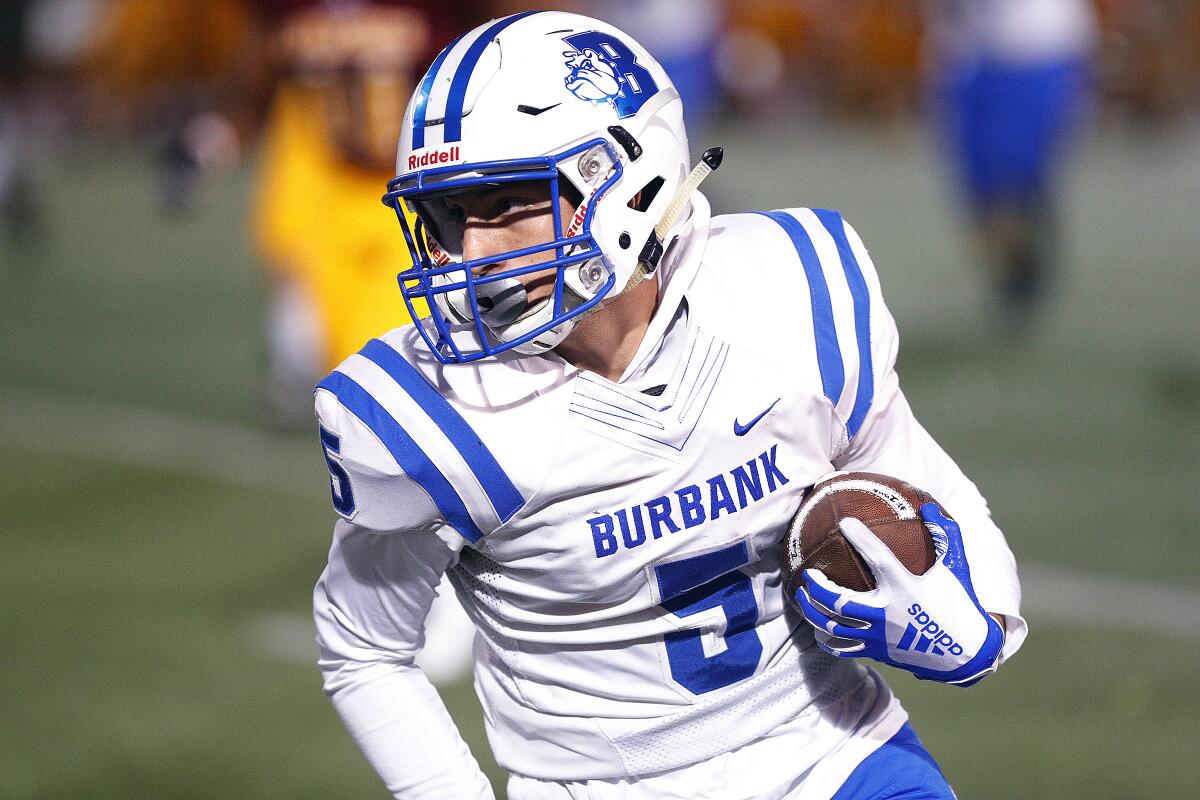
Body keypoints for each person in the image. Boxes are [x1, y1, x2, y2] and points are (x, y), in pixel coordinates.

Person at [312, 11, 1026, 799]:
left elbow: (924, 482)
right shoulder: (430, 404)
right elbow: (363, 649)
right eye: (450, 215)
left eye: (509, 202)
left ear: (630, 180)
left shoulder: (789, 291)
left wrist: (980, 626)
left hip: (835, 751)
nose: (471, 255)